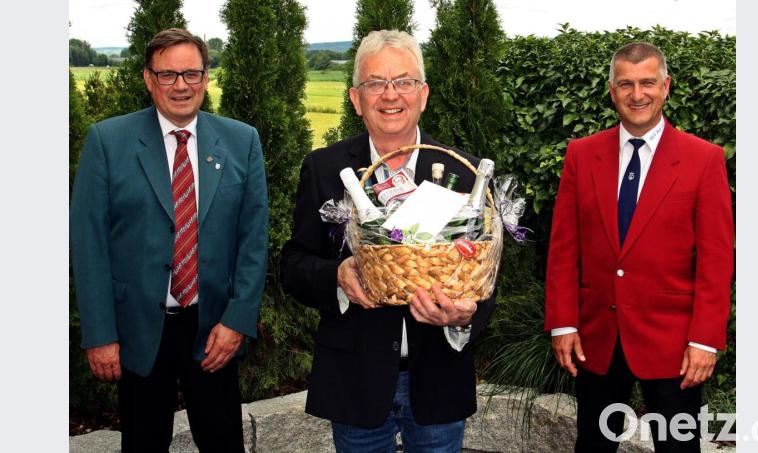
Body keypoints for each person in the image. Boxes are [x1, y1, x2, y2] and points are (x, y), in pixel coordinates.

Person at [280, 29, 496, 452]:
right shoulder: (325, 169)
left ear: (423, 93)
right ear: (356, 98)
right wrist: (338, 276)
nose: (390, 94)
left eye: (403, 81)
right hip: (354, 384)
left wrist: (465, 315)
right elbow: (293, 264)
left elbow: (485, 274)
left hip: (439, 382)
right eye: (375, 83)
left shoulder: (465, 175)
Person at [70, 28, 268, 452]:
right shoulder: (108, 141)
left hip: (212, 329)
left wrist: (236, 321)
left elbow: (253, 241)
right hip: (138, 330)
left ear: (206, 77)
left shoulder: (241, 141)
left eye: (191, 73)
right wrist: (100, 333)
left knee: (224, 444)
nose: (181, 85)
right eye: (168, 75)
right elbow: (89, 245)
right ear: (148, 79)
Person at [545, 42, 734, 452]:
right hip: (596, 338)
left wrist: (705, 340)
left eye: (648, 82)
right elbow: (564, 248)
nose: (637, 94)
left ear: (666, 86)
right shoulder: (581, 154)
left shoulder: (704, 159)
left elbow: (717, 261)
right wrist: (563, 322)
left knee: (678, 446)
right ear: (612, 91)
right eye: (626, 84)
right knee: (593, 444)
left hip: (674, 343)